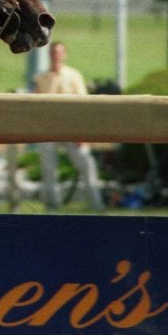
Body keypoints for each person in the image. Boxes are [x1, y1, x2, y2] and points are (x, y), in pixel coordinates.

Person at [31, 41, 104, 210]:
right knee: (48, 168)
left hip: (72, 128)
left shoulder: (73, 76)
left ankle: (96, 205)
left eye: (59, 52)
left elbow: (83, 105)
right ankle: (52, 206)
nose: (56, 56)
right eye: (53, 52)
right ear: (49, 55)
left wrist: (82, 132)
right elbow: (34, 104)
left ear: (64, 55)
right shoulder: (40, 78)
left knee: (86, 164)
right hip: (48, 129)